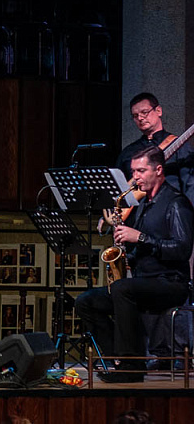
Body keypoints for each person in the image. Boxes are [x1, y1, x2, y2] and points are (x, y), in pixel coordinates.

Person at [75, 146, 193, 382]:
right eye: (133, 171)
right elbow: (141, 246)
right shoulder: (142, 205)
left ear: (158, 170)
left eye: (141, 171)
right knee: (86, 301)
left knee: (122, 289)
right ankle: (115, 358)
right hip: (143, 281)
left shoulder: (176, 203)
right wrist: (126, 252)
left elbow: (182, 249)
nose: (135, 177)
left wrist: (140, 238)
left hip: (171, 283)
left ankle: (131, 365)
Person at [112, 92, 194, 369]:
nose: (140, 119)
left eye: (145, 112)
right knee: (124, 289)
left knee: (137, 289)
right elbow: (121, 190)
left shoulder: (179, 148)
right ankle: (132, 355)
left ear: (158, 111)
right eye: (135, 116)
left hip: (168, 222)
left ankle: (160, 357)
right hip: (139, 222)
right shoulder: (129, 153)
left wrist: (181, 212)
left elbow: (189, 185)